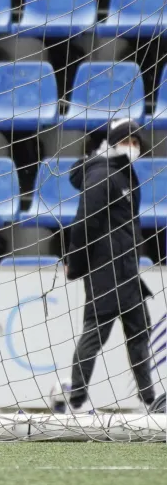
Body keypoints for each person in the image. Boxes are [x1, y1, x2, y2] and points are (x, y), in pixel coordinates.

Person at [57, 118, 165, 413]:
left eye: (136, 143)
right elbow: (84, 223)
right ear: (113, 143)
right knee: (94, 335)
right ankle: (76, 400)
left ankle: (149, 400)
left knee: (140, 334)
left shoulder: (126, 176)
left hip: (127, 274)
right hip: (105, 273)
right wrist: (75, 263)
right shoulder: (102, 174)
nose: (132, 147)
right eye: (127, 141)